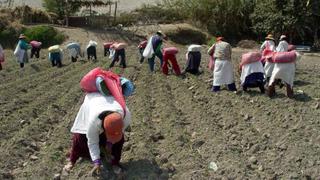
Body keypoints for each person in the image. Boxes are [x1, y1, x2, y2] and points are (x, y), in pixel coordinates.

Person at [63, 72, 134, 176]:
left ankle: (115, 163)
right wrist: (96, 162)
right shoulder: (93, 120)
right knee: (80, 138)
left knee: (119, 140)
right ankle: (72, 160)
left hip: (108, 105)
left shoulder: (126, 115)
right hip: (93, 101)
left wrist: (110, 144)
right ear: (103, 128)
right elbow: (92, 142)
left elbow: (119, 132)